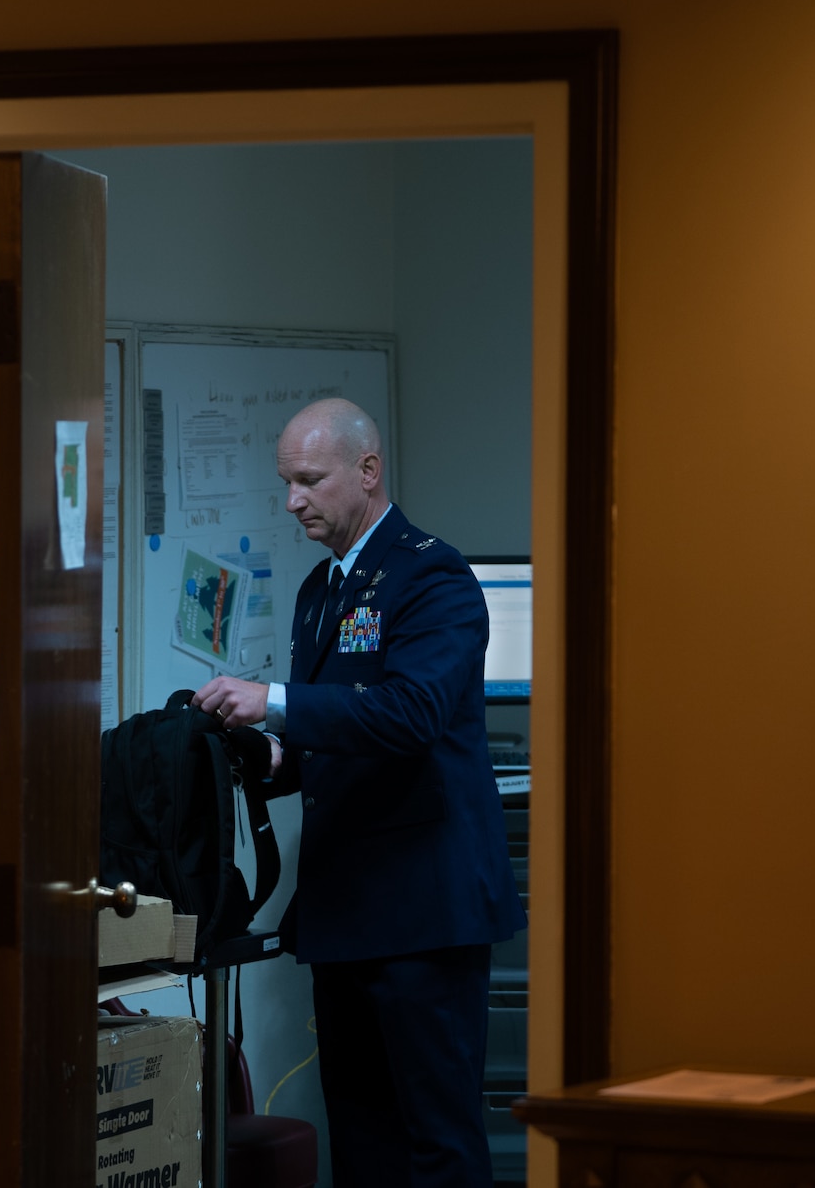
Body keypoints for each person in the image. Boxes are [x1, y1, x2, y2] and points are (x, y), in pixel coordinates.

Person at [192, 397, 525, 1188]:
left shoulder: (430, 574)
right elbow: (338, 738)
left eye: (309, 479)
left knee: (436, 1139)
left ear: (368, 472)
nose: (292, 499)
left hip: (423, 912)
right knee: (362, 1134)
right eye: (287, 482)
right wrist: (272, 758)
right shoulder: (319, 591)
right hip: (347, 912)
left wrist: (272, 699)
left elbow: (410, 714)